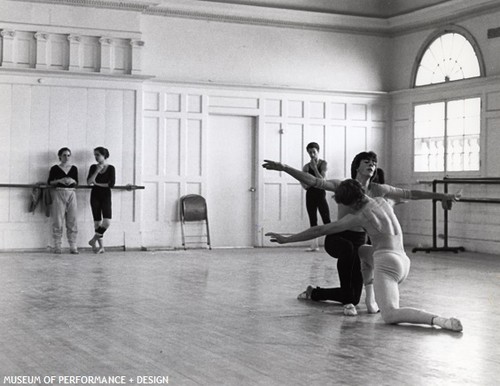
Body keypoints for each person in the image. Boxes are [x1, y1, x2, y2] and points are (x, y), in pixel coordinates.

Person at [262, 151, 457, 316]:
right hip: (337, 238)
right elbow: (314, 182)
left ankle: (315, 293)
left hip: (359, 239)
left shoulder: (379, 190)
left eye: (374, 163)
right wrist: (285, 168)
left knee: (353, 296)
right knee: (348, 250)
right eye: (367, 162)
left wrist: (442, 196)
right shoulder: (344, 185)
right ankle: (349, 301)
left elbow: (410, 194)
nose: (372, 165)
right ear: (357, 166)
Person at [47, 147, 79, 254]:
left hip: (71, 193)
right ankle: (57, 246)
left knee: (72, 220)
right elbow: (50, 182)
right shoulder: (55, 168)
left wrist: (71, 180)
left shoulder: (74, 168)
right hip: (59, 192)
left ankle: (73, 246)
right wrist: (60, 180)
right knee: (58, 220)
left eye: (68, 155)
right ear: (60, 156)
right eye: (64, 155)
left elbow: (76, 182)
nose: (66, 157)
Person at [302, 142, 330, 251]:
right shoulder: (306, 167)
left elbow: (322, 181)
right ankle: (314, 245)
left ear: (318, 151)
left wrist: (314, 168)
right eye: (310, 153)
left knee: (326, 218)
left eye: (314, 152)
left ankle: (332, 243)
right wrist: (312, 183)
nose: (312, 154)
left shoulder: (323, 164)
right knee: (312, 219)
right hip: (310, 194)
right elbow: (304, 184)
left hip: (320, 193)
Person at [87, 147, 115, 254]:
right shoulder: (93, 167)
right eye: (95, 155)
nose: (96, 157)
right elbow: (89, 182)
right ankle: (101, 247)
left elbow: (111, 184)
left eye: (98, 155)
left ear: (104, 155)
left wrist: (97, 183)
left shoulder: (111, 168)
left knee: (107, 222)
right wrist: (97, 172)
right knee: (97, 223)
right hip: (95, 195)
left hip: (106, 195)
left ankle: (93, 240)